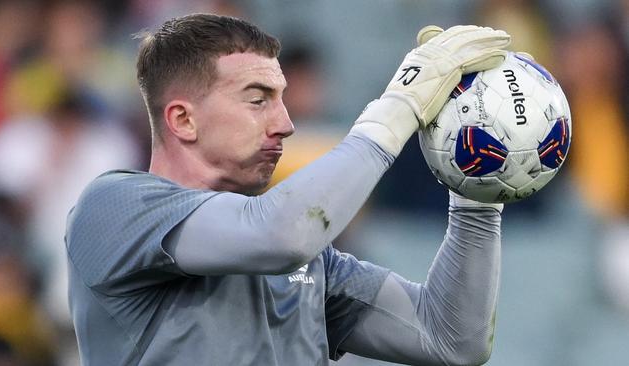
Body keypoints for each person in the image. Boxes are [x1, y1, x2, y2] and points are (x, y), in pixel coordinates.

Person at [65, 14, 510, 366]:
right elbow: (281, 236)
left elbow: (451, 339)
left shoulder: (309, 261)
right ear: (183, 120)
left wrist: (476, 183)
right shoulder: (112, 208)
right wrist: (398, 108)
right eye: (258, 99)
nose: (286, 124)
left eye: (282, 99)